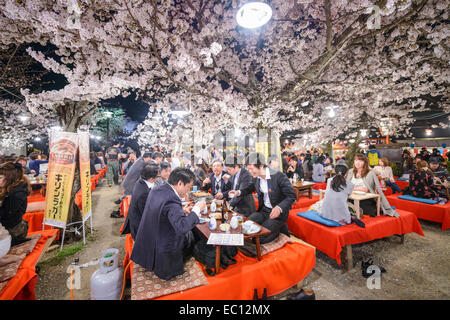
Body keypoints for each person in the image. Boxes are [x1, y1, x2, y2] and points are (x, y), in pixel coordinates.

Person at [130, 168, 206, 280]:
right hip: (163, 246)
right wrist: (196, 209)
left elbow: (161, 211)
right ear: (180, 183)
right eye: (188, 187)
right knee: (191, 235)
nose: (188, 190)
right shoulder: (171, 199)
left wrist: (180, 212)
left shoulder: (159, 189)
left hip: (149, 238)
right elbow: (182, 227)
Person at [229, 153, 296, 244]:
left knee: (259, 239)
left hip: (277, 214)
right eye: (248, 169)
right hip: (264, 211)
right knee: (245, 226)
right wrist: (238, 192)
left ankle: (278, 229)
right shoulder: (256, 178)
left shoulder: (279, 176)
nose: (250, 172)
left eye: (251, 169)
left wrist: (279, 208)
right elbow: (250, 188)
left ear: (260, 166)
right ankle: (273, 227)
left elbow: (291, 196)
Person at [121, 164, 160, 240]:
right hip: (139, 227)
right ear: (151, 179)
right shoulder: (144, 194)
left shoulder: (141, 181)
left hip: (137, 218)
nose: (158, 178)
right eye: (158, 176)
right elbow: (147, 215)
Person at [111, 152, 153, 218]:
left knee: (127, 194)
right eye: (150, 158)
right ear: (148, 157)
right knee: (129, 195)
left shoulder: (140, 160)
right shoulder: (142, 163)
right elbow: (141, 175)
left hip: (129, 182)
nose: (150, 160)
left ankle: (120, 202)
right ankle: (121, 210)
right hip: (131, 183)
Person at [0, 162, 31, 246]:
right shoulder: (6, 188)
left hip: (13, 231)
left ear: (9, 178)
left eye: (0, 177)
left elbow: (6, 217)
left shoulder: (17, 193)